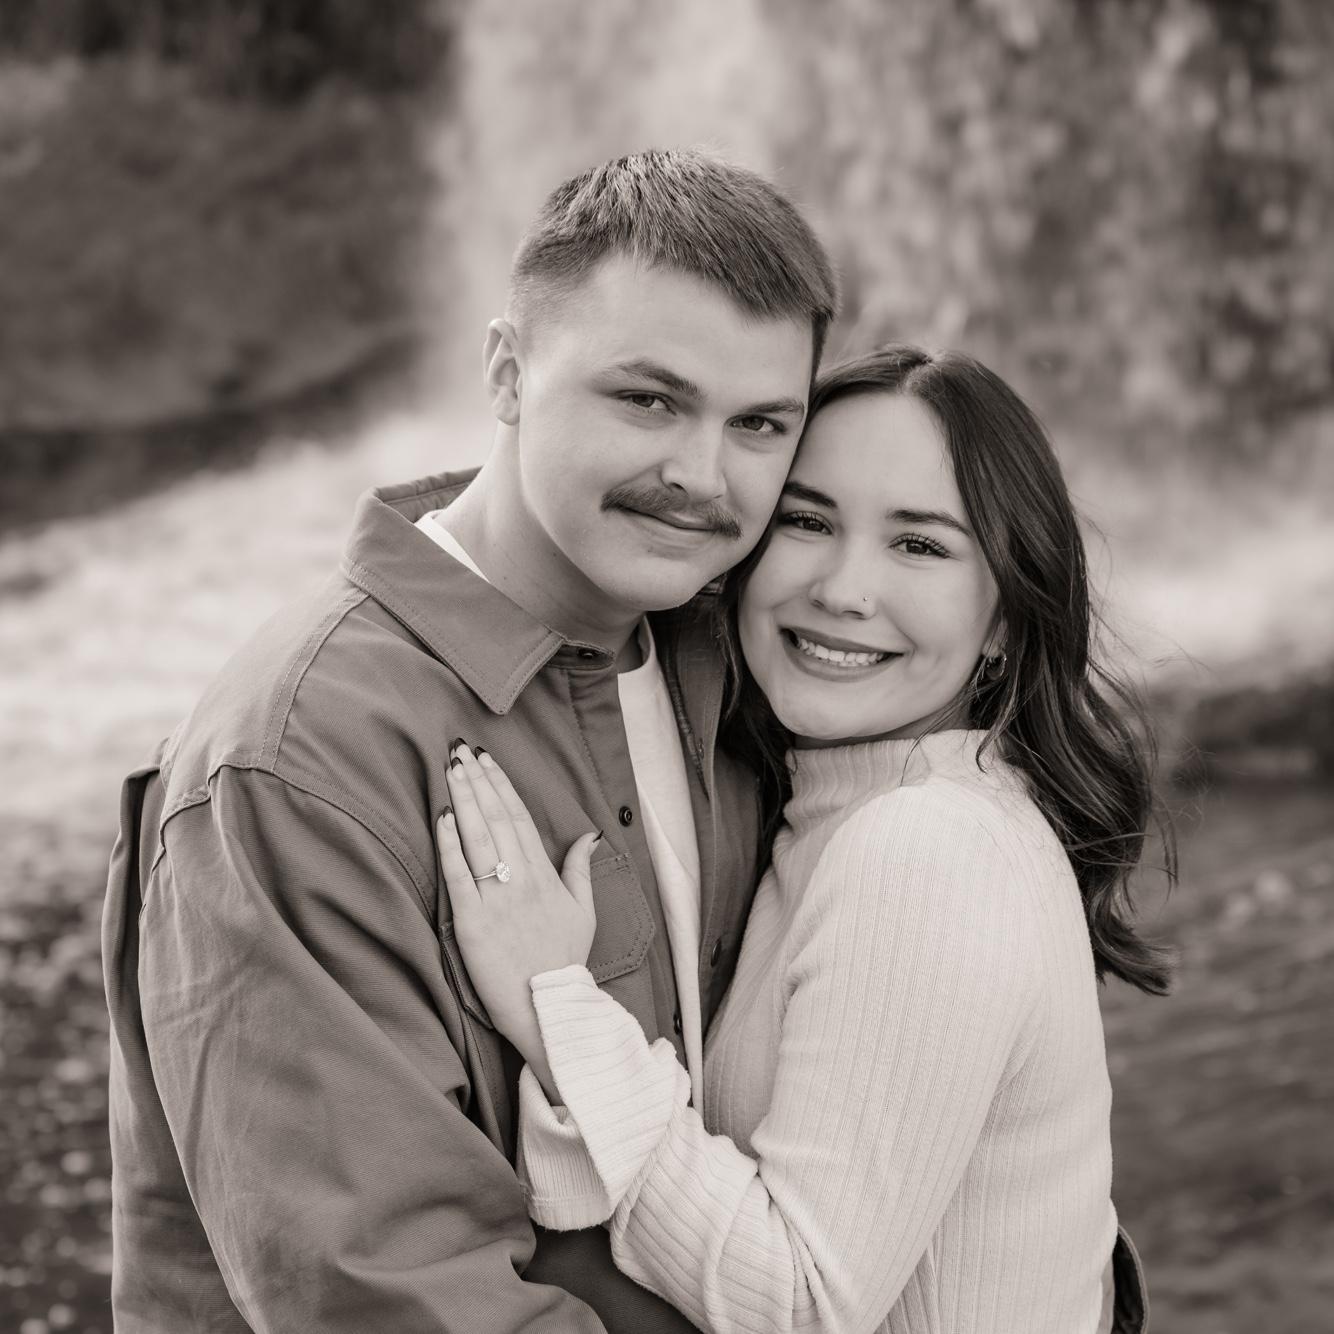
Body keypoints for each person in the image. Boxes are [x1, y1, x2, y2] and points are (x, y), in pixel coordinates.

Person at [101, 148, 837, 1332]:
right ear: (505, 371)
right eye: (647, 399)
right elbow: (388, 1292)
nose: (701, 475)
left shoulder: (752, 665)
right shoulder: (300, 760)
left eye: (758, 423)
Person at [434, 345, 1171, 1334]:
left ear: (1004, 616)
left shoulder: (924, 851)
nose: (841, 589)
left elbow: (802, 1299)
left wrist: (555, 1004)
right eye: (807, 520)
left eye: (919, 546)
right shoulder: (863, 806)